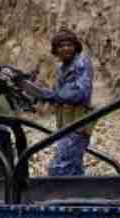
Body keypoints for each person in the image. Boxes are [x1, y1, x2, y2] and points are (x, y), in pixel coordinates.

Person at [36, 27, 95, 176]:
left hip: (77, 125)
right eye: (61, 46)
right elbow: (60, 96)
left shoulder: (80, 63)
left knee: (60, 168)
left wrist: (53, 95)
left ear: (76, 46)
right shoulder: (63, 68)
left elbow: (81, 92)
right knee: (73, 168)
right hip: (67, 126)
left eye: (69, 45)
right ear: (55, 50)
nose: (66, 49)